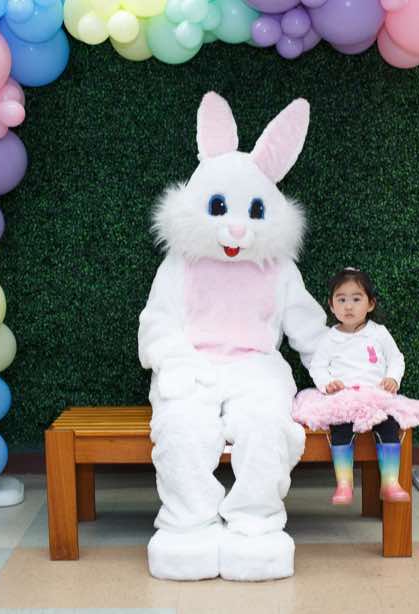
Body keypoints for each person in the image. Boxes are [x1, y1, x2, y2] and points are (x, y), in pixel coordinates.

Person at [139, 92, 326, 582]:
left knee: (267, 425)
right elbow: (157, 321)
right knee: (180, 427)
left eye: (253, 211)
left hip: (255, 366)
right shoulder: (180, 263)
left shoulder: (277, 267)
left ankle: (256, 525)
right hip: (193, 363)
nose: (236, 226)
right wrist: (173, 360)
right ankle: (187, 525)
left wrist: (335, 372)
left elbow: (308, 328)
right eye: (219, 207)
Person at [292, 268, 419, 506]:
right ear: (331, 306)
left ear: (370, 304)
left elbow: (396, 359)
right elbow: (318, 366)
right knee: (341, 427)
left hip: (376, 397)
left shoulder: (379, 334)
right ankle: (344, 484)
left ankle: (390, 483)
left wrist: (392, 378)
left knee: (389, 424)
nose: (348, 306)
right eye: (341, 300)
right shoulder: (330, 338)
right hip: (343, 398)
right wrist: (327, 383)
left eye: (356, 299)